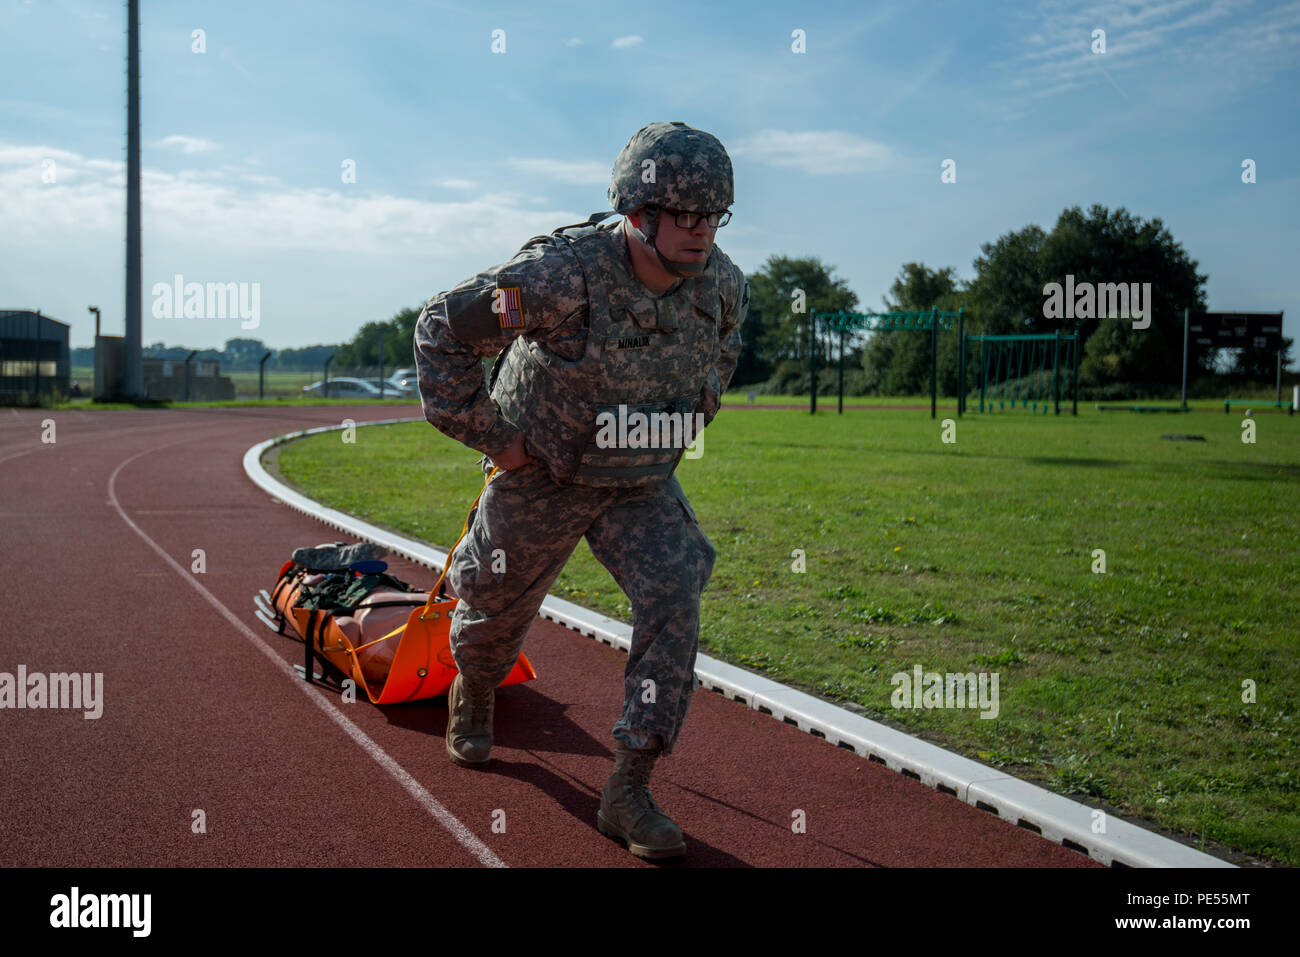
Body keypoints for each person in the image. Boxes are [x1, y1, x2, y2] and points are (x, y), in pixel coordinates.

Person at [412, 121, 749, 859]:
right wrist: (496, 437)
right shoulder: (559, 277)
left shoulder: (722, 285)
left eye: (712, 216)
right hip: (544, 473)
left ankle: (629, 786)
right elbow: (443, 329)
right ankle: (475, 683)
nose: (701, 232)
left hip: (636, 482)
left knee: (676, 588)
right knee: (495, 606)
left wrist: (679, 424)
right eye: (684, 215)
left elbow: (723, 356)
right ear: (638, 214)